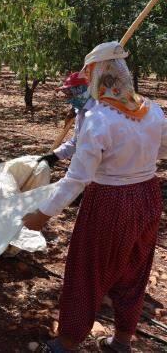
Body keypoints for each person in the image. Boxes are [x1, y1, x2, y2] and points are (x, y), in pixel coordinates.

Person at [23, 42, 166, 353]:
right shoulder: (152, 110)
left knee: (88, 271)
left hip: (110, 201)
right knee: (134, 268)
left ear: (98, 75)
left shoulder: (100, 118)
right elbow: (163, 149)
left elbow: (78, 177)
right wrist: (137, 160)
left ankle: (67, 343)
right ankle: (121, 342)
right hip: (148, 197)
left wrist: (43, 214)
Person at [38, 72, 95, 167]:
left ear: (82, 90)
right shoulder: (81, 113)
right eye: (66, 94)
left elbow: (94, 148)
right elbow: (76, 142)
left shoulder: (97, 113)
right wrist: (54, 156)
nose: (68, 98)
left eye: (70, 93)